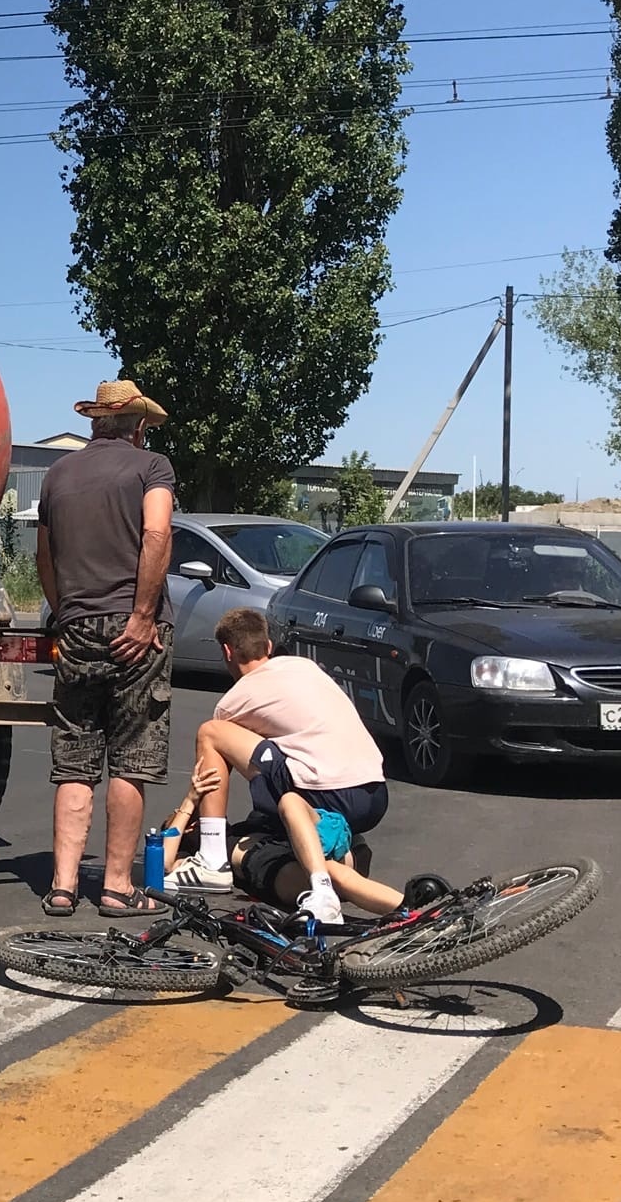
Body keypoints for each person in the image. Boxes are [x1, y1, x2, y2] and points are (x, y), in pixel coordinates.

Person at [34, 379, 176, 918]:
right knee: (131, 758)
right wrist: (142, 615)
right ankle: (117, 886)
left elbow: (44, 554)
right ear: (138, 425)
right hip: (134, 626)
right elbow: (157, 534)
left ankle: (63, 885)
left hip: (75, 624)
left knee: (74, 757)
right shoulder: (152, 467)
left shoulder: (57, 473)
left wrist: (64, 610)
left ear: (96, 422)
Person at [164, 606, 400, 924]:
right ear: (269, 647)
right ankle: (414, 908)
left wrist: (191, 804)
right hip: (373, 792)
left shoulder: (232, 703)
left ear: (227, 651)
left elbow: (235, 756)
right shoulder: (304, 667)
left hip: (328, 794)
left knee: (212, 733)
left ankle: (211, 857)